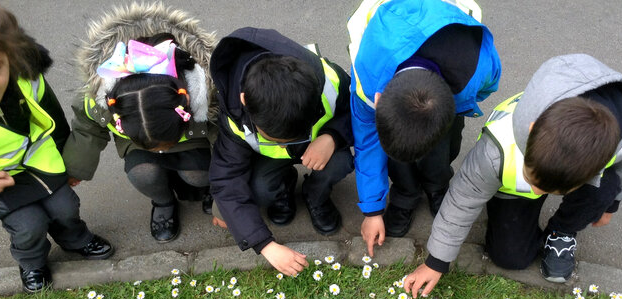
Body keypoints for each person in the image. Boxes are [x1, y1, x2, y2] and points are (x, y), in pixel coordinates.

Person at [404, 54, 622, 297]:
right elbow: (462, 199)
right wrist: (436, 261)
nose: (534, 193)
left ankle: (562, 231)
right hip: (507, 182)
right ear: (531, 132)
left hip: (577, 166)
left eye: (549, 191)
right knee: (510, 257)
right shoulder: (496, 150)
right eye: (533, 181)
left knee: (605, 188)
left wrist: (612, 204)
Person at [348, 0, 501, 257]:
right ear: (377, 100)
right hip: (388, 31)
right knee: (402, 148)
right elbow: (367, 143)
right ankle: (405, 193)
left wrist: (460, 104)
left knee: (440, 151)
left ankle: (437, 186)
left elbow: (488, 85)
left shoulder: (478, 65)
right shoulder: (365, 82)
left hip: (451, 47)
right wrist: (372, 210)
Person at [0, 0, 113, 293]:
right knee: (28, 225)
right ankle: (32, 262)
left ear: (11, 56)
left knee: (66, 207)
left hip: (40, 161)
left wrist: (69, 160)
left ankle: (75, 239)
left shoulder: (27, 80)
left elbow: (53, 119)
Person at [62, 3, 218, 242]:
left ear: (183, 105)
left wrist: (227, 191)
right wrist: (75, 168)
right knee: (142, 173)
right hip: (137, 136)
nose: (161, 152)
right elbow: (87, 130)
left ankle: (208, 190)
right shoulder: (100, 97)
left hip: (187, 137)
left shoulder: (205, 93)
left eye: (161, 147)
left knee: (198, 174)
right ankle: (163, 202)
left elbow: (225, 137)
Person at [209, 27, 354, 276]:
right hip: (268, 162)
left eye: (290, 138)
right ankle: (282, 189)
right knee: (258, 188)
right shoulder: (232, 109)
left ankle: (315, 195)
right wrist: (264, 244)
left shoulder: (329, 80)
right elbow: (226, 177)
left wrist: (332, 136)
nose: (282, 145)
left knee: (341, 161)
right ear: (245, 101)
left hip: (319, 147)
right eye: (274, 138)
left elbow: (357, 112)